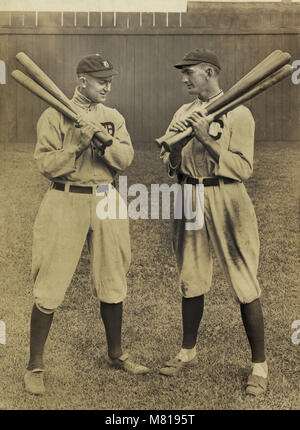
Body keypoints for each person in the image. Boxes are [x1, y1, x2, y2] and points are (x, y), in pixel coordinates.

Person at [24, 54, 149, 396]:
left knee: (113, 276)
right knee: (50, 280)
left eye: (109, 79)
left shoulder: (113, 117)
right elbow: (46, 165)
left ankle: (117, 353)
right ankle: (35, 365)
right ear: (81, 80)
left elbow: (125, 160)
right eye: (99, 80)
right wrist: (76, 147)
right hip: (65, 197)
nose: (107, 85)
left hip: (107, 197)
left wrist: (103, 143)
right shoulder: (53, 113)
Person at [159, 48, 268, 396]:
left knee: (244, 280)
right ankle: (187, 351)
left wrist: (204, 137)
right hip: (190, 194)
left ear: (209, 71)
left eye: (189, 72)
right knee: (191, 276)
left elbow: (244, 168)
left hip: (227, 197)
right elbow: (169, 161)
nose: (184, 79)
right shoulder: (183, 112)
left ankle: (259, 366)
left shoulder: (239, 112)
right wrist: (175, 149)